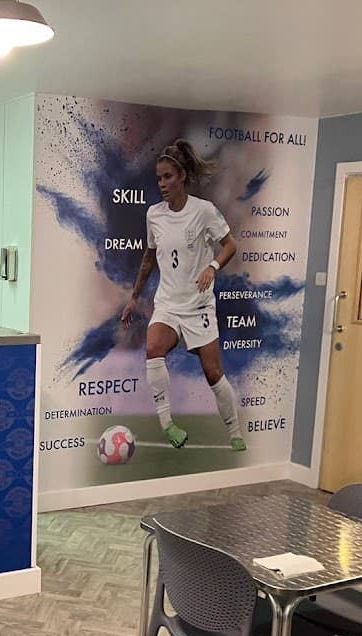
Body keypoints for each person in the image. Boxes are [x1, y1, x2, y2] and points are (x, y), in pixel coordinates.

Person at [120, 139, 245, 451]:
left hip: (198, 305)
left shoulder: (204, 211)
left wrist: (213, 266)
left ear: (182, 177)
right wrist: (134, 296)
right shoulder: (154, 215)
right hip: (168, 304)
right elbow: (149, 257)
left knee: (213, 373)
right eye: (159, 178)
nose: (162, 183)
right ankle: (167, 423)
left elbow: (230, 245)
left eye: (168, 177)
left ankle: (234, 431)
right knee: (153, 348)